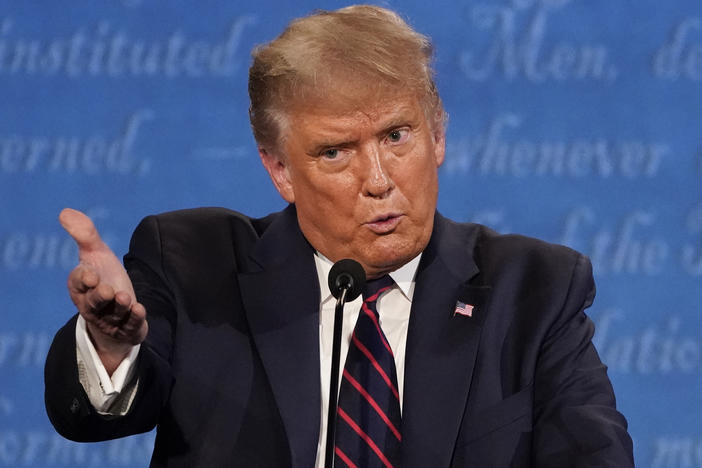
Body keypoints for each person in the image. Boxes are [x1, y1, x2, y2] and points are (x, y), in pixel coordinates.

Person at [45, 5, 634, 467]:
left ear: (438, 135)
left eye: (397, 136)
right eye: (335, 152)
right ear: (279, 170)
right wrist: (112, 345)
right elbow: (93, 419)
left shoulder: (533, 291)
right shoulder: (195, 264)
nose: (378, 181)